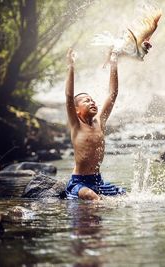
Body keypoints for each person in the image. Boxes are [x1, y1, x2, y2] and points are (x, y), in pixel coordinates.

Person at [64, 48, 125, 200]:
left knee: (125, 195)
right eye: (87, 101)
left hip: (98, 181)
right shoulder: (76, 125)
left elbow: (113, 93)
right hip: (79, 182)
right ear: (76, 109)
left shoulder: (100, 121)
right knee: (93, 197)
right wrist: (71, 66)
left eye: (92, 100)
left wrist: (113, 63)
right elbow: (69, 96)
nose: (92, 102)